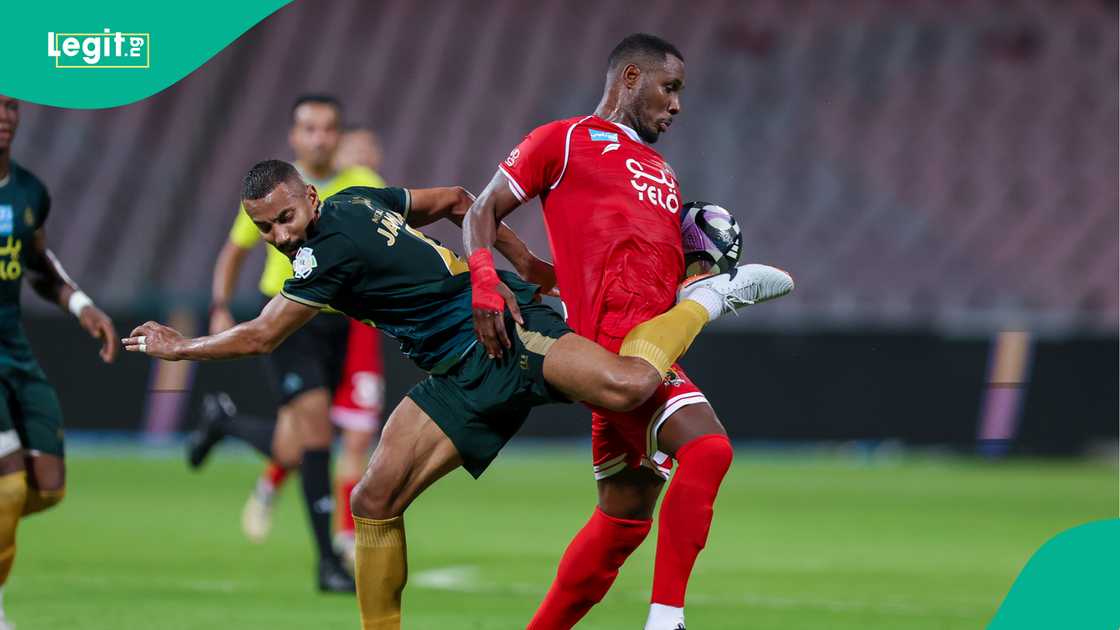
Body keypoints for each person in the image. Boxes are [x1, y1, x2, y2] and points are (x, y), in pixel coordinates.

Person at [122, 159, 788, 629]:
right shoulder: (358, 204)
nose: (280, 236)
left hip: (503, 333)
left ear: (310, 200)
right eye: (266, 229)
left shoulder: (326, 252)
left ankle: (708, 295)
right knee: (373, 500)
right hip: (458, 374)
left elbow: (264, 334)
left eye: (285, 218)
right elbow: (456, 201)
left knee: (630, 384)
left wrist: (181, 348)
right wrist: (516, 258)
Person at [463, 33, 789, 630]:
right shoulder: (561, 140)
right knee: (709, 449)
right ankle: (666, 622)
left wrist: (694, 259)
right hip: (613, 347)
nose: (677, 105)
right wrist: (487, 277)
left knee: (624, 520)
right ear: (631, 78)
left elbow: (622, 258)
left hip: (645, 340)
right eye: (671, 88)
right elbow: (479, 210)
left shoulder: (664, 172)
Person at [189, 94, 385, 590]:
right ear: (294, 136)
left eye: (327, 128)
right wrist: (219, 303)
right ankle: (327, 563)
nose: (319, 137)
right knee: (319, 435)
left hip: (341, 323)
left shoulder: (364, 185)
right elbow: (234, 250)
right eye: (309, 128)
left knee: (294, 450)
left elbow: (392, 237)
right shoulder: (272, 190)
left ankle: (225, 422)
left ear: (338, 136)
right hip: (286, 320)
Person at [0, 95, 118, 630]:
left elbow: (37, 262)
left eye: (9, 106)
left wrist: (80, 303)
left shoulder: (29, 191)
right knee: (7, 485)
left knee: (47, 485)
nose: (3, 116)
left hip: (14, 352)